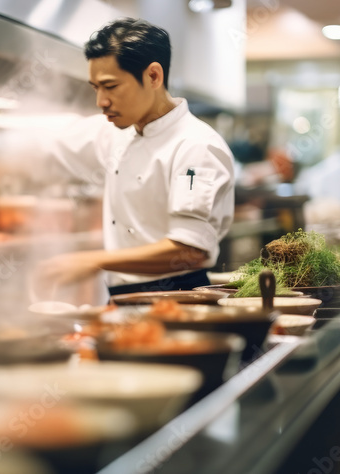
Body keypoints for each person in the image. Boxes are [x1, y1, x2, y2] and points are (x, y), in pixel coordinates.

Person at [34, 18, 234, 296]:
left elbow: (190, 251)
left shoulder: (195, 147)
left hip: (177, 301)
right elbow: (42, 146)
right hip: (123, 299)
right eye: (96, 88)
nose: (100, 101)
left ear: (153, 76)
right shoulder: (117, 134)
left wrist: (92, 260)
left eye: (111, 86)